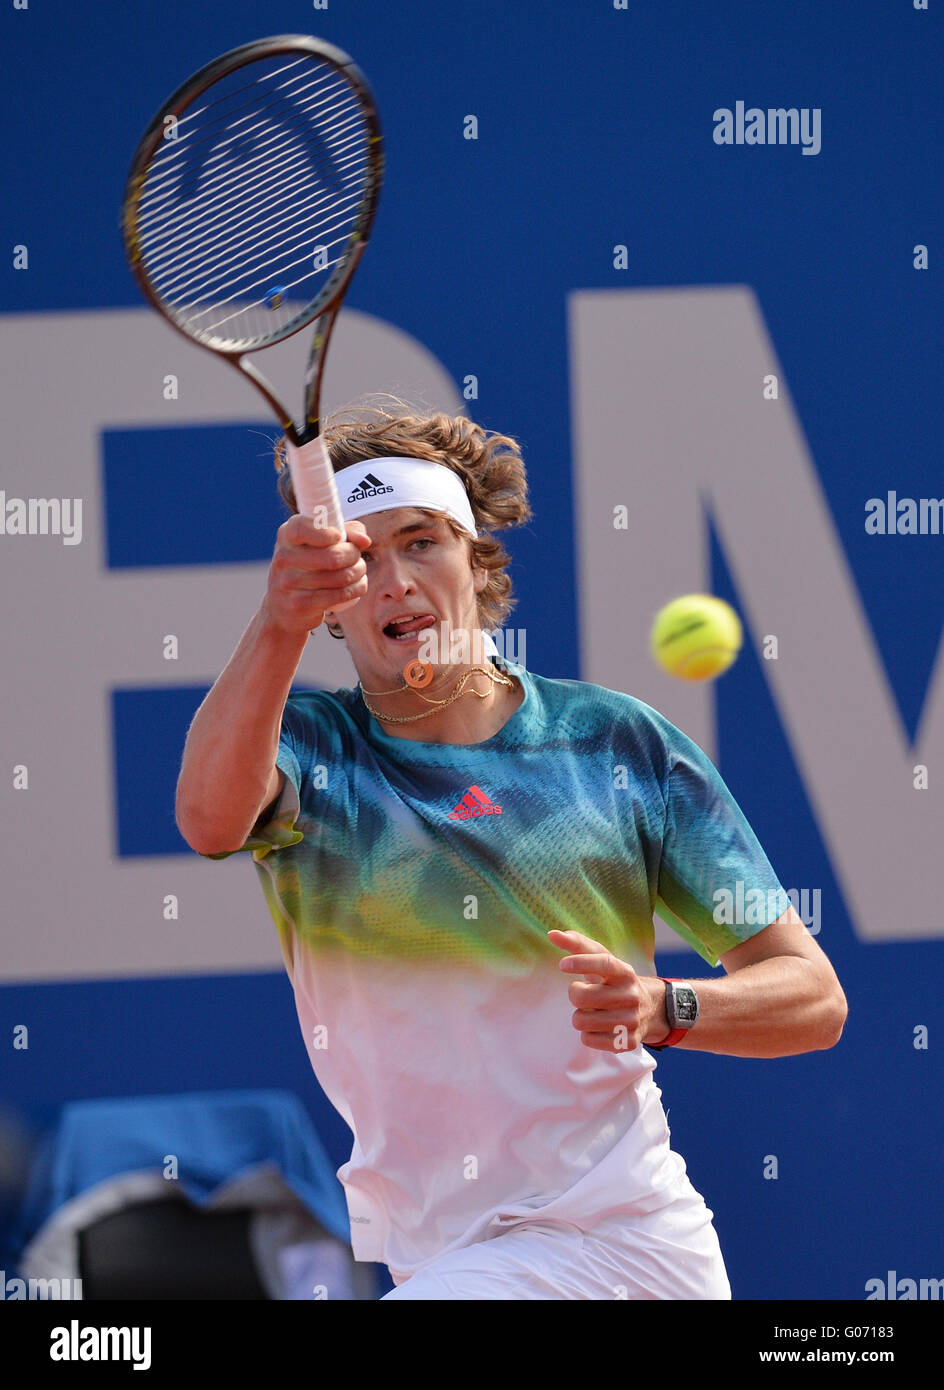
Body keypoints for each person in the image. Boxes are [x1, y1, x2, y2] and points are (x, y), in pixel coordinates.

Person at [175, 403, 847, 1300]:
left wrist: (662, 1004)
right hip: (442, 1257)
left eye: (422, 541)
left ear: (476, 560)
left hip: (623, 1246)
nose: (395, 581)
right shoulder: (307, 750)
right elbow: (210, 822)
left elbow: (813, 997)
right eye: (362, 559)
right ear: (337, 600)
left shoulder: (615, 746)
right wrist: (277, 621)